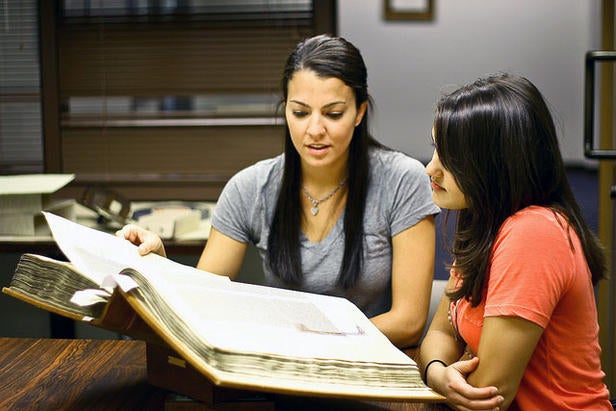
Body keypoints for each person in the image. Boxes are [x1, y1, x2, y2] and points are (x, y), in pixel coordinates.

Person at [118, 34, 440, 348]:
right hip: (284, 369)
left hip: (368, 367)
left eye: (333, 114)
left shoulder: (402, 181)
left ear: (359, 112)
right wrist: (159, 262)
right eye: (300, 113)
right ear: (285, 109)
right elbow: (204, 297)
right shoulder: (250, 187)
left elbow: (408, 323)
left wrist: (315, 342)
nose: (314, 130)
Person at [419, 73, 612, 410]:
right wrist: (437, 372)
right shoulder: (483, 220)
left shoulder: (535, 232)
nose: (430, 168)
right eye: (436, 149)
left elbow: (488, 395)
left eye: (448, 157)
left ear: (493, 164)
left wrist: (441, 378)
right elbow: (440, 334)